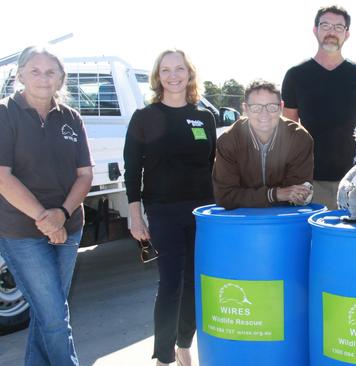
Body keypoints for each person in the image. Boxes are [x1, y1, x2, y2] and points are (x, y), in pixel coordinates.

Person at [0, 46, 93, 366]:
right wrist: (45, 218)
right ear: (21, 74)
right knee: (55, 317)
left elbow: (85, 175)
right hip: (21, 230)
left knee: (47, 312)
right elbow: (2, 177)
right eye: (35, 70)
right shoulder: (5, 113)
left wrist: (62, 215)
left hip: (70, 227)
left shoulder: (71, 117)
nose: (43, 77)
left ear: (61, 78)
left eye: (50, 71)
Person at [123, 49, 216, 366]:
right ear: (157, 76)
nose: (173, 75)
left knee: (193, 282)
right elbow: (132, 170)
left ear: (189, 74)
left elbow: (210, 165)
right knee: (171, 283)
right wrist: (135, 215)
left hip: (201, 212)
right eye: (166, 70)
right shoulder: (144, 118)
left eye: (179, 69)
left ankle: (183, 344)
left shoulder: (204, 117)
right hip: (162, 210)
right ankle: (163, 356)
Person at [281, 4, 356, 210]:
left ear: (347, 34)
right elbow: (287, 131)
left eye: (338, 27)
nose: (332, 32)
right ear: (315, 30)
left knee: (350, 241)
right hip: (310, 183)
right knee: (312, 241)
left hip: (355, 181)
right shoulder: (296, 75)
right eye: (325, 25)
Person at [213, 80, 314, 209]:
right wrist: (273, 194)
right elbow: (224, 196)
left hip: (284, 219)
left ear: (281, 107)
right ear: (245, 109)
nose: (264, 114)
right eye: (256, 107)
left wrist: (300, 196)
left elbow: (296, 194)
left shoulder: (299, 138)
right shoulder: (228, 141)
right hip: (241, 219)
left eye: (272, 107)